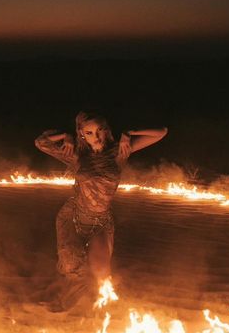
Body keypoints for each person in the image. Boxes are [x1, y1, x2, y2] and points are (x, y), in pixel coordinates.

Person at [35, 110, 168, 311]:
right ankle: (67, 294)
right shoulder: (76, 156)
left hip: (101, 221)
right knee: (72, 265)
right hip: (73, 216)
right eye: (88, 133)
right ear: (81, 135)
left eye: (99, 131)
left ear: (106, 131)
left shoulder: (119, 152)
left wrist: (129, 133)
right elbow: (40, 142)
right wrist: (66, 136)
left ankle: (88, 297)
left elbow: (161, 132)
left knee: (100, 272)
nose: (96, 137)